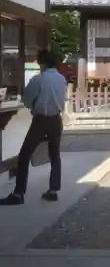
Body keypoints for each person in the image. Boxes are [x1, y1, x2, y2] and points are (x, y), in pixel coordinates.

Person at [0, 49, 67, 206]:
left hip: (41, 120)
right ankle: (53, 190)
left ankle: (18, 194)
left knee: (24, 155)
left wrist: (34, 106)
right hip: (56, 119)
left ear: (42, 63)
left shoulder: (39, 79)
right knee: (54, 155)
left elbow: (27, 99)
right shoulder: (61, 79)